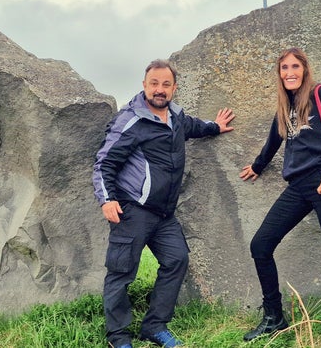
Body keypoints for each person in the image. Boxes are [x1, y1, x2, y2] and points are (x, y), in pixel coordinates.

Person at [93, 59, 235, 348]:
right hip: (132, 210)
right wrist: (107, 200)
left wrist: (215, 127)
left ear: (174, 88)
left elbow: (195, 127)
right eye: (154, 83)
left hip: (164, 215)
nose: (160, 89)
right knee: (122, 272)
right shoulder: (130, 121)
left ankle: (154, 326)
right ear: (144, 85)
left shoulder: (176, 117)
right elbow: (104, 164)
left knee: (177, 259)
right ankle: (118, 337)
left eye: (166, 84)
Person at [239, 48, 321, 347]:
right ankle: (274, 318)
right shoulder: (287, 105)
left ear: (305, 69)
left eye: (295, 66)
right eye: (284, 68)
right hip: (297, 186)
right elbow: (274, 140)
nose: (289, 72)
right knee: (261, 245)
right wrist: (257, 166)